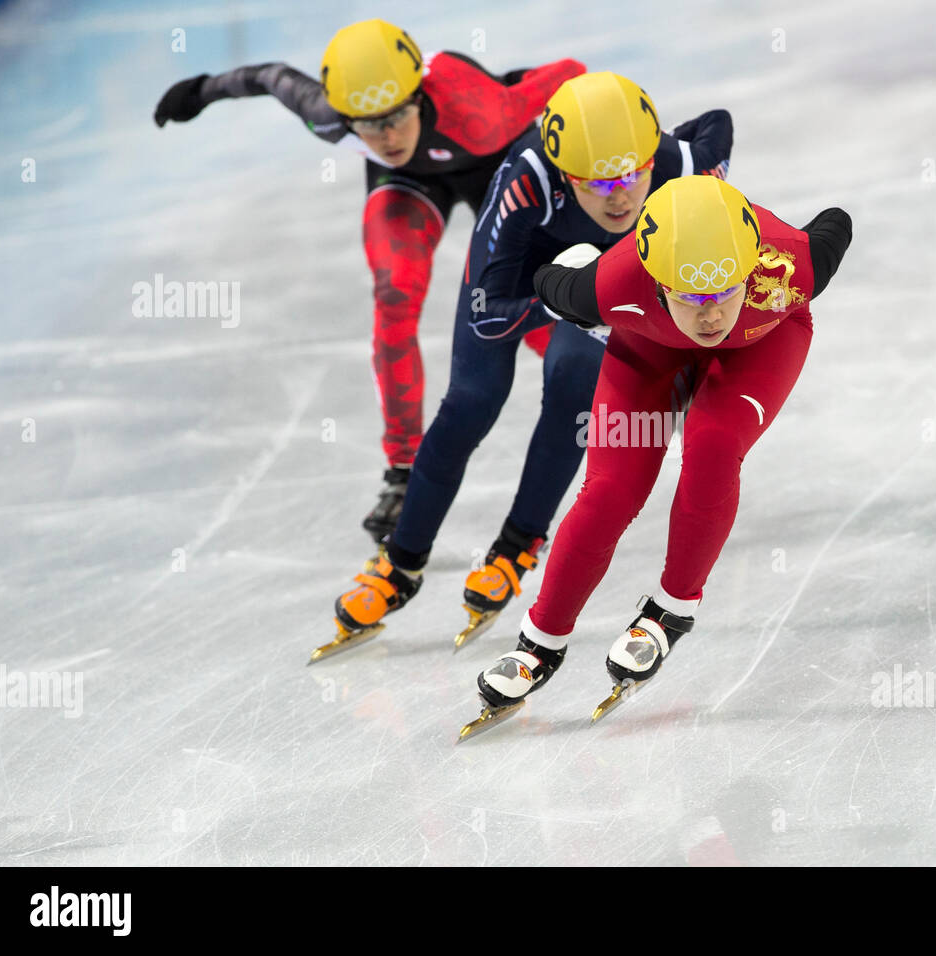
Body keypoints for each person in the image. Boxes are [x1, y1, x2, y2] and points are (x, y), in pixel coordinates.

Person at [328, 73, 734, 657]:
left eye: (630, 174)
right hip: (516, 282)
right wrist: (562, 300)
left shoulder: (685, 161)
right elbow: (490, 313)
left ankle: (517, 545)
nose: (620, 196)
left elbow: (717, 123)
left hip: (600, 274)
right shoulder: (527, 179)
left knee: (574, 383)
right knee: (470, 403)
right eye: (598, 183)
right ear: (567, 174)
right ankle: (400, 563)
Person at [153, 18, 583, 541]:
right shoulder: (328, 115)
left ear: (418, 96)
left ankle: (622, 382)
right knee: (393, 295)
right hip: (406, 183)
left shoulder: (482, 111)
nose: (387, 136)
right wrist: (200, 91)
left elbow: (571, 75)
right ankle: (402, 475)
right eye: (369, 124)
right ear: (345, 116)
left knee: (521, 301)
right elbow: (268, 76)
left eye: (398, 116)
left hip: (492, 158)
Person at [464, 175, 852, 731]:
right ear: (655, 279)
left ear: (751, 267)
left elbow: (835, 223)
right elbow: (551, 280)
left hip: (763, 342)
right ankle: (540, 642)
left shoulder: (795, 264)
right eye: (692, 297)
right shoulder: (604, 287)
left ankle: (671, 612)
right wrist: (571, 268)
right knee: (610, 491)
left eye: (724, 292)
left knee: (714, 445)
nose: (711, 316)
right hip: (648, 344)